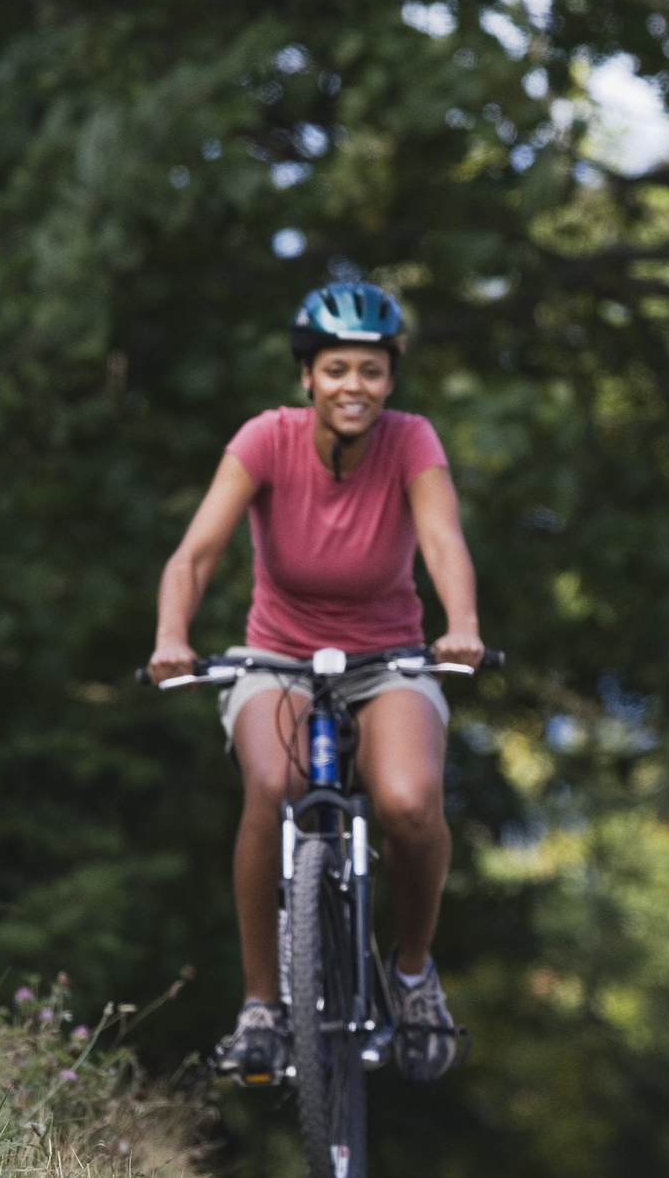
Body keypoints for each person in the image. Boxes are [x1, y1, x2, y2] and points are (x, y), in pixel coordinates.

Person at [146, 282, 485, 1084]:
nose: (353, 387)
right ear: (307, 376)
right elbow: (195, 554)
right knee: (275, 783)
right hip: (277, 661)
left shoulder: (411, 442)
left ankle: (409, 976)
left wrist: (461, 625)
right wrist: (170, 639)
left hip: (391, 660)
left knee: (409, 802)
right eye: (336, 369)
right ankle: (262, 1004)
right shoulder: (265, 439)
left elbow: (442, 544)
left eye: (371, 371)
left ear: (391, 381)